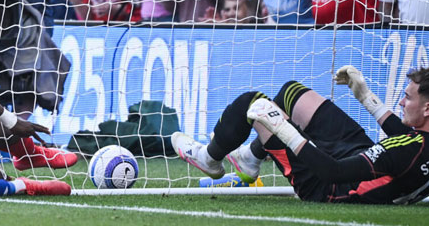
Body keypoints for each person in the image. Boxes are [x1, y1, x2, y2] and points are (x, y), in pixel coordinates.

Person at [171, 64, 429, 204]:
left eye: (407, 97)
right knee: (291, 94)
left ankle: (208, 158)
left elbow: (333, 172)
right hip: (360, 162)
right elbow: (405, 138)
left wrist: (283, 130)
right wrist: (365, 97)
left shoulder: (408, 149)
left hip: (330, 186)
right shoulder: (417, 144)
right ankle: (250, 159)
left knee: (252, 103)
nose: (401, 103)